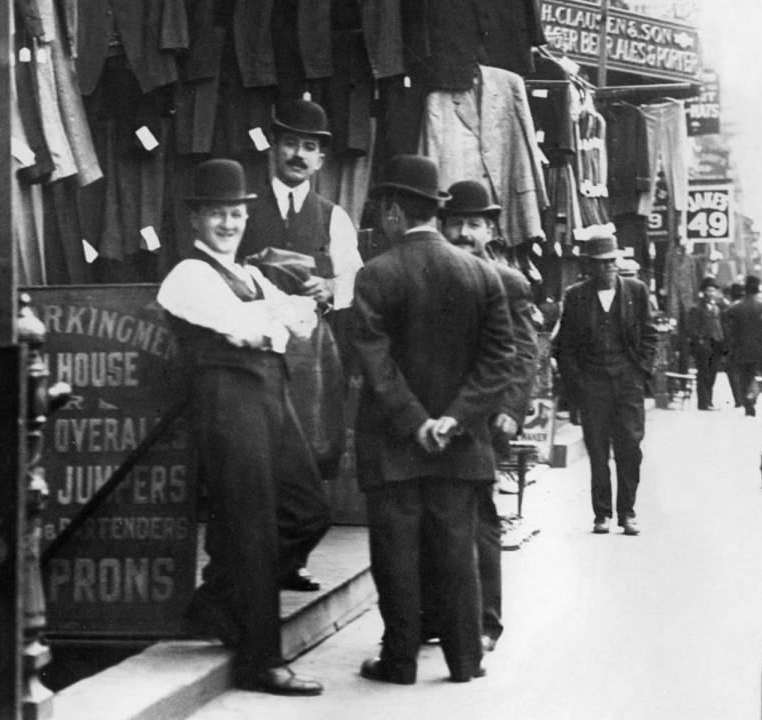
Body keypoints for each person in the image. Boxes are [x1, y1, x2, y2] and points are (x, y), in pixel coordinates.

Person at [156, 159, 324, 695]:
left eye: (236, 214)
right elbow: (247, 329)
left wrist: (277, 319)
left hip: (270, 396)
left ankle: (214, 602)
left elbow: (304, 320)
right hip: (227, 403)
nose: (228, 224)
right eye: (216, 215)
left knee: (307, 509)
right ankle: (260, 659)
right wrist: (274, 320)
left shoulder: (250, 274)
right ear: (196, 221)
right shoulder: (187, 275)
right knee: (252, 526)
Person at [351, 155, 515, 685]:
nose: (379, 220)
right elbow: (499, 360)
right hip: (460, 447)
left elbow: (375, 363)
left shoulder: (375, 275)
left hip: (394, 445)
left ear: (397, 212)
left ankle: (399, 661)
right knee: (455, 554)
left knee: (395, 557)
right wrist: (454, 420)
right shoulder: (482, 275)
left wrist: (416, 420)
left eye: (382, 211)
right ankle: (465, 661)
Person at [238, 98, 359, 592]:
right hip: (254, 344)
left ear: (321, 160)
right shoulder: (244, 208)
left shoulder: (332, 216)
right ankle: (253, 560)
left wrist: (328, 290)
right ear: (274, 146)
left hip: (308, 353)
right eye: (290, 143)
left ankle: (291, 561)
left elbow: (352, 278)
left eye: (309, 148)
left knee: (306, 452)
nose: (298, 155)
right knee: (256, 453)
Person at [418, 179, 538, 654]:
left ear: (490, 230)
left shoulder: (508, 281)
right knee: (433, 517)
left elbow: (526, 351)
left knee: (480, 518)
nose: (463, 233)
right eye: (455, 223)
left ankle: (485, 621)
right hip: (438, 414)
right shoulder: (432, 275)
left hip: (487, 419)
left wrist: (510, 409)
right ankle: (436, 615)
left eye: (473, 224)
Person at [551, 232, 658, 536]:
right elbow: (564, 346)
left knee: (630, 448)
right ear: (589, 266)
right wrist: (578, 382)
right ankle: (602, 515)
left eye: (612, 262)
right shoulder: (575, 295)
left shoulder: (636, 291)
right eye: (601, 263)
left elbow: (650, 335)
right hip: (592, 385)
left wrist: (641, 371)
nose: (608, 268)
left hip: (628, 383)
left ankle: (628, 512)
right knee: (598, 452)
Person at [723, 275, 762, 416]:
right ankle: (752, 397)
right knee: (756, 375)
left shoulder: (735, 307)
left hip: (740, 347)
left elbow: (727, 326)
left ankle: (747, 401)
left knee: (743, 376)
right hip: (758, 348)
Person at [683, 276, 725, 410]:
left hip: (716, 344)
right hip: (704, 345)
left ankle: (709, 401)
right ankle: (703, 402)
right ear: (703, 292)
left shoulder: (718, 307)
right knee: (703, 373)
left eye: (713, 290)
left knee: (712, 374)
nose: (711, 293)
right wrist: (699, 340)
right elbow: (691, 328)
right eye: (708, 290)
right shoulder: (697, 308)